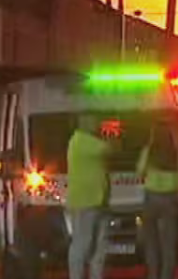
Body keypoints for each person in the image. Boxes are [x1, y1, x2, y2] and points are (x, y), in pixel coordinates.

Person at [67, 113, 113, 279]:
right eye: (94, 121)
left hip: (98, 201)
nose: (97, 124)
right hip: (85, 202)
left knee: (98, 248)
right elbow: (110, 149)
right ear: (84, 123)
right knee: (83, 245)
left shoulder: (84, 141)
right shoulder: (82, 141)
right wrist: (112, 134)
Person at [138, 123, 178, 279]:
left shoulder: (149, 151)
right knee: (168, 243)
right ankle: (166, 276)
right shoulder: (175, 153)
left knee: (151, 241)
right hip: (170, 198)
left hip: (152, 197)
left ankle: (153, 274)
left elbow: (140, 171)